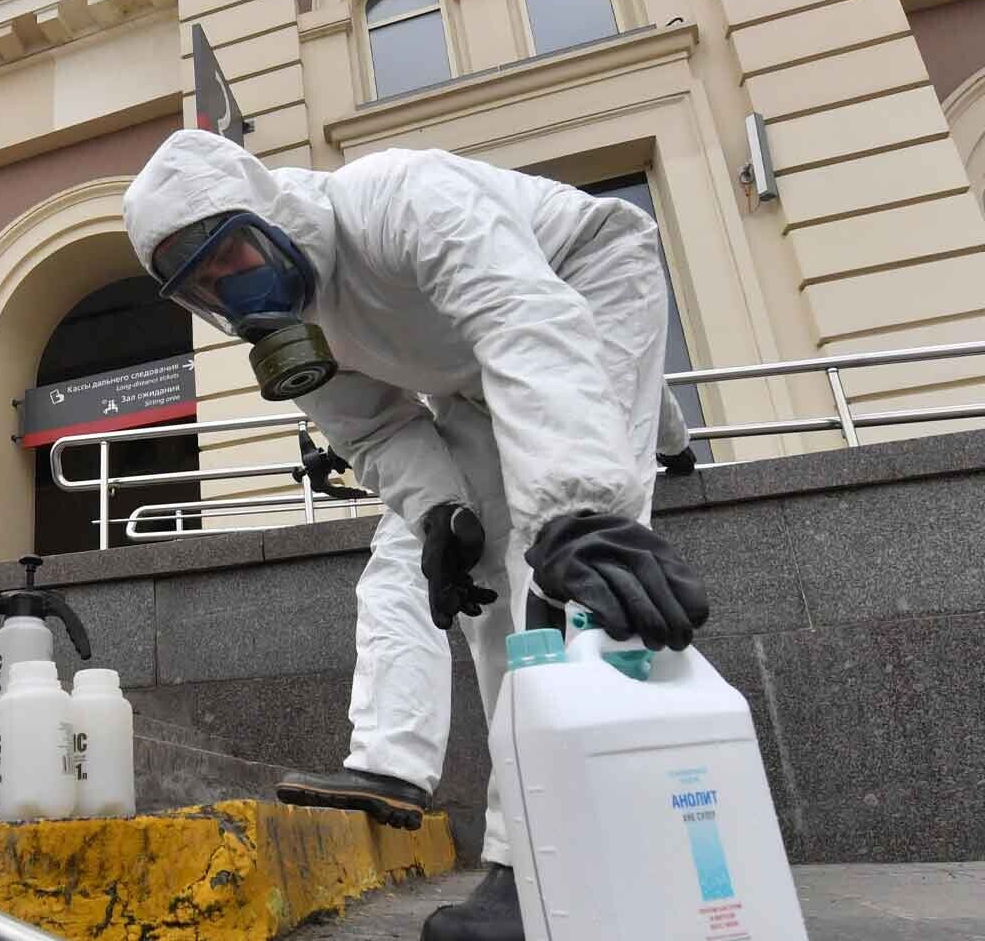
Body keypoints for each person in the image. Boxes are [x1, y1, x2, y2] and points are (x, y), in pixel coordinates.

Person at [122, 130, 709, 940]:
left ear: (265, 211)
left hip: (582, 282)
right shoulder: (288, 327)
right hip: (466, 378)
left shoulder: (398, 197)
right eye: (202, 285)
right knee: (494, 604)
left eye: (228, 254)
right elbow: (373, 435)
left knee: (568, 572)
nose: (232, 288)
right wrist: (439, 514)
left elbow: (522, 320)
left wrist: (581, 510)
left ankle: (559, 874)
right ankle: (530, 869)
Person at [276, 389, 700, 834]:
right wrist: (676, 444)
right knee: (407, 583)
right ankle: (392, 766)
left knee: (514, 626)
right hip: (458, 453)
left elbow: (628, 356)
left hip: (540, 448)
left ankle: (507, 832)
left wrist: (673, 440)